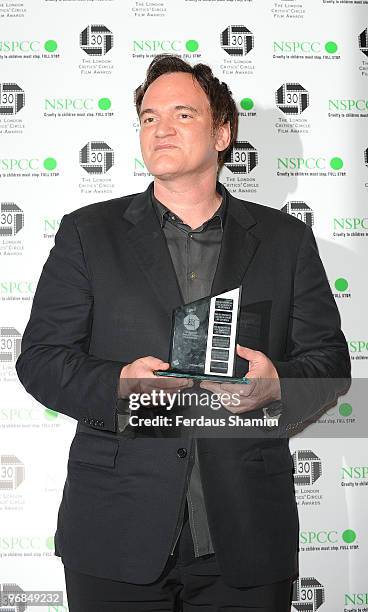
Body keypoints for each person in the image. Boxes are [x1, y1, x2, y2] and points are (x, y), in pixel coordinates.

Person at [16, 55, 350, 611]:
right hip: (115, 533)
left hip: (245, 539)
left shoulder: (285, 240)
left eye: (181, 114)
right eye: (148, 117)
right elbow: (41, 359)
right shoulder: (87, 234)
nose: (160, 128)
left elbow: (329, 362)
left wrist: (277, 385)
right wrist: (117, 384)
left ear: (223, 133)